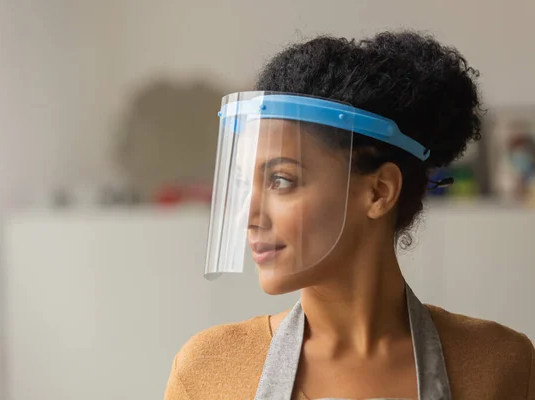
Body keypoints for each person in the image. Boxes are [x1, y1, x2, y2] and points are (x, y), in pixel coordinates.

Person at [164, 31, 535, 400]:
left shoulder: (501, 365)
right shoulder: (208, 371)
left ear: (379, 191)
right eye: (246, 183)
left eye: (280, 180)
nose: (249, 216)